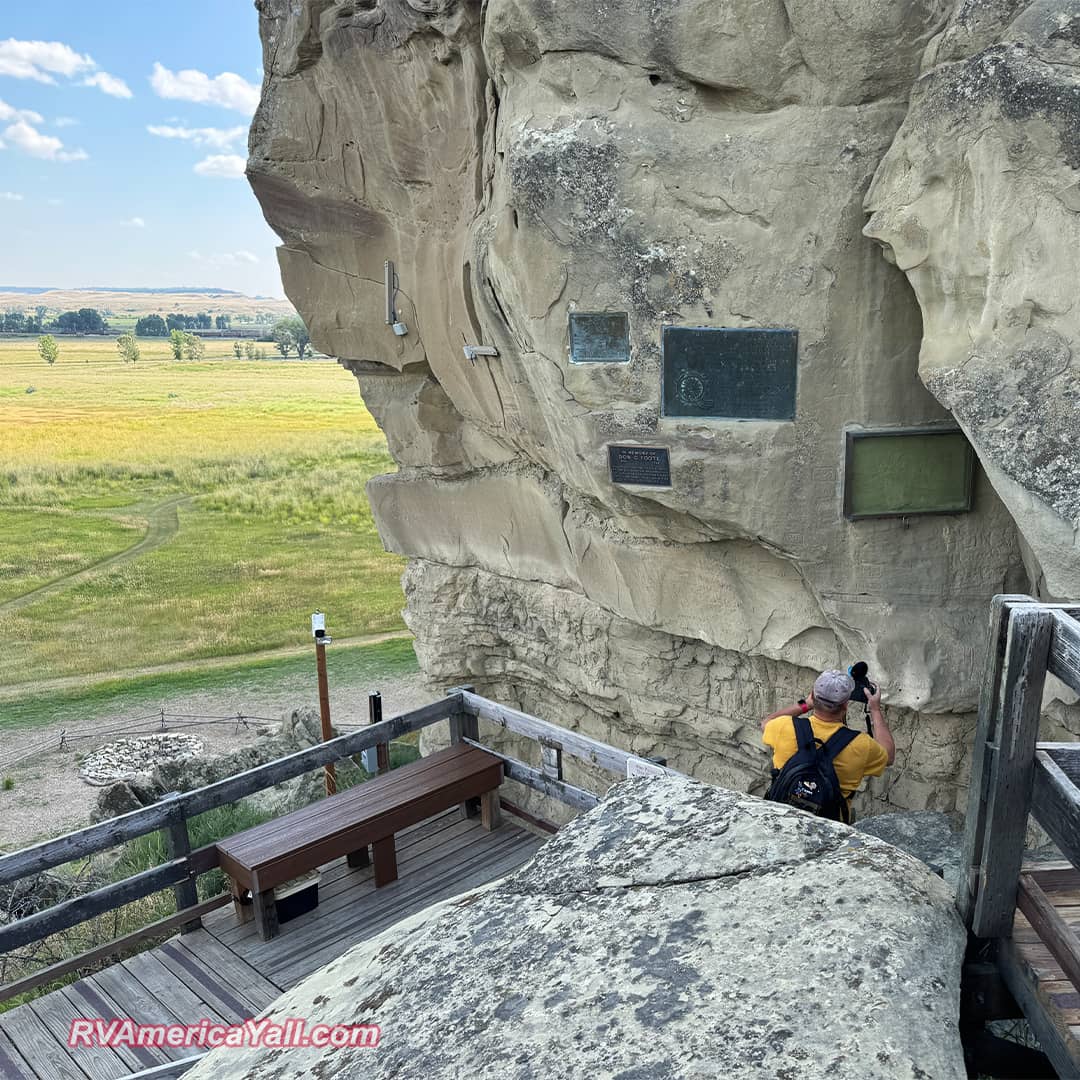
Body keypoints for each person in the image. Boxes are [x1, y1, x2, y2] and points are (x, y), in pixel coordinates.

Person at [761, 669, 895, 822]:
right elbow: (889, 756)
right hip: (828, 825)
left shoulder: (784, 726)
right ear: (845, 705)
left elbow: (766, 723)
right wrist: (875, 709)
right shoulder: (862, 745)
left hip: (781, 817)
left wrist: (806, 704)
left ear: (813, 695)